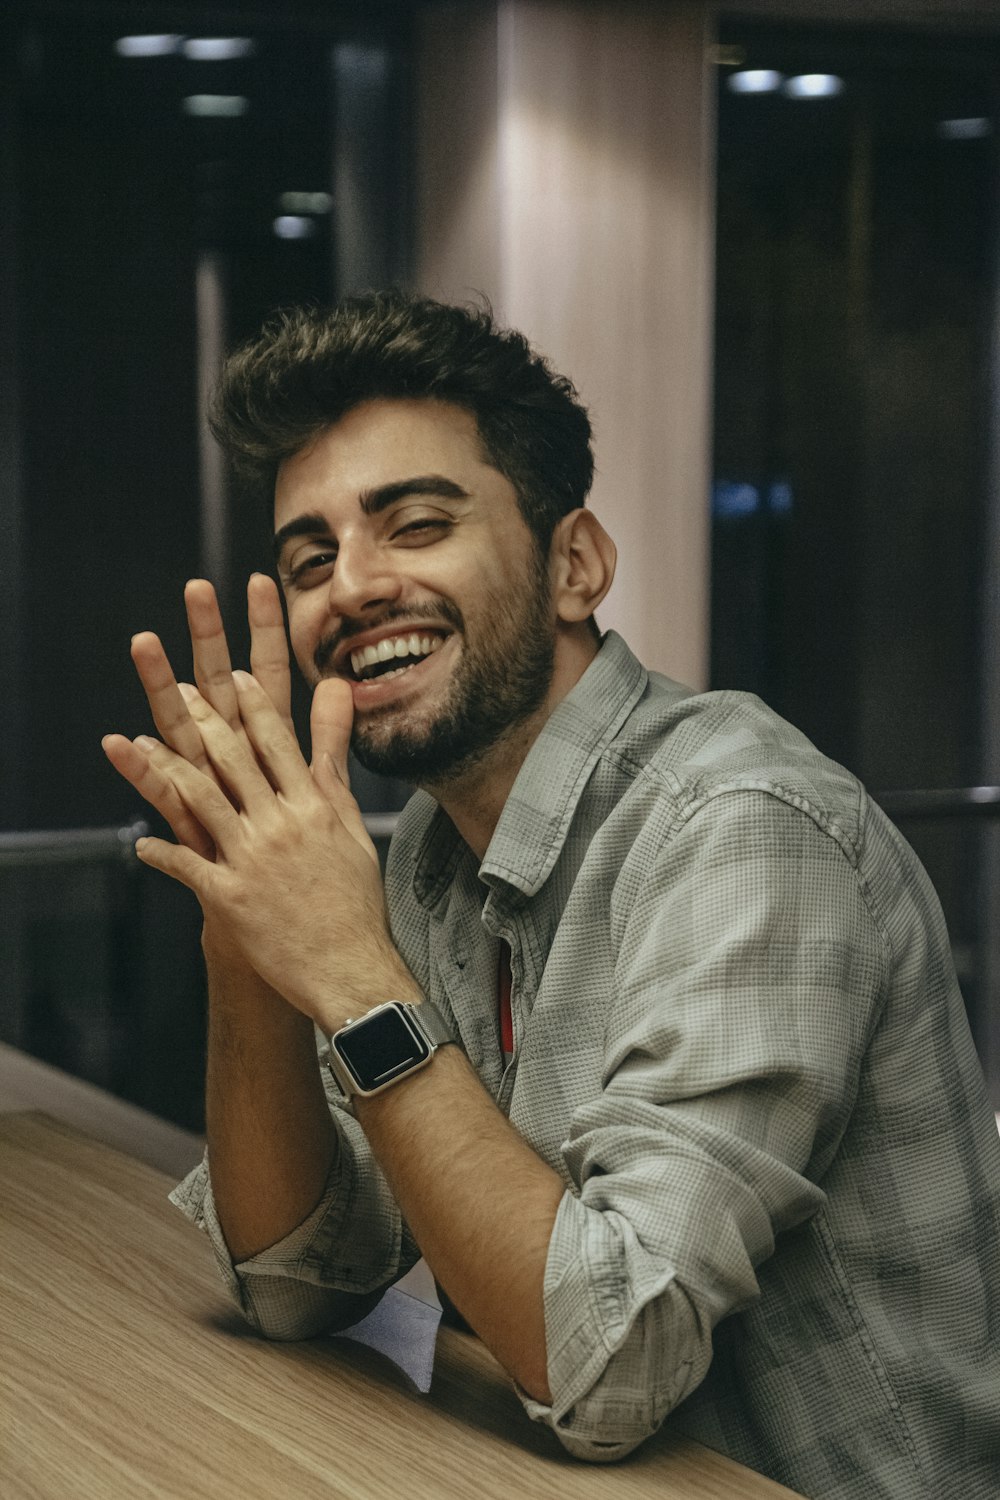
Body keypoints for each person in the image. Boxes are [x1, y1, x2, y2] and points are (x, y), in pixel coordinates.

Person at [103, 290, 1000, 1499]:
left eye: (414, 524)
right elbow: (300, 1277)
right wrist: (244, 927)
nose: (351, 588)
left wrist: (355, 978)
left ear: (573, 564)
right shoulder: (430, 849)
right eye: (310, 557)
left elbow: (610, 1363)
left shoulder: (742, 829)